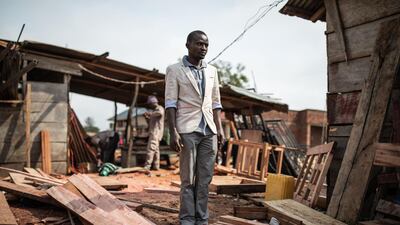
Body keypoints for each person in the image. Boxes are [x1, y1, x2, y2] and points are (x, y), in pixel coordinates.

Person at [165, 30, 225, 225]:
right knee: (188, 180)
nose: (203, 48)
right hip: (187, 130)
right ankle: (187, 219)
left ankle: (202, 219)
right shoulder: (174, 69)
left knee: (205, 179)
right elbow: (170, 103)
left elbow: (216, 103)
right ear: (188, 44)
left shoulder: (212, 71)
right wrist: (172, 131)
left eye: (206, 45)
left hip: (209, 131)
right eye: (199, 44)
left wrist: (220, 128)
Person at [143, 95, 165, 170]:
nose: (149, 106)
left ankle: (147, 166)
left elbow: (160, 113)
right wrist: (147, 118)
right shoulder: (154, 111)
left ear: (153, 103)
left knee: (151, 149)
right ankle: (156, 166)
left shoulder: (159, 108)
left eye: (150, 104)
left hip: (156, 133)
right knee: (156, 150)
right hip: (153, 132)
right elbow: (151, 122)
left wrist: (150, 114)